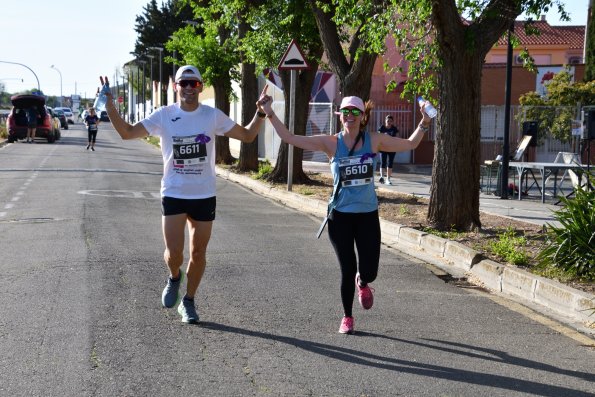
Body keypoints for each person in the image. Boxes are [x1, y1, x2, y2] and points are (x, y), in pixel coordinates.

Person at [103, 65, 268, 324]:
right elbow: (127, 133)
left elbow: (247, 136)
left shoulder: (211, 116)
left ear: (200, 87)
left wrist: (260, 112)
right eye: (184, 83)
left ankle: (189, 301)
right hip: (174, 192)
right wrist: (110, 106)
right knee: (174, 253)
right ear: (176, 86)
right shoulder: (164, 115)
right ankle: (174, 277)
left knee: (199, 252)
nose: (189, 88)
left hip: (204, 194)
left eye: (194, 83)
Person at [258, 91, 431, 334]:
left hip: (367, 214)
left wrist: (424, 122)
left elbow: (411, 144)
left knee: (369, 270)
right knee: (346, 267)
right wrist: (270, 113)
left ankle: (363, 281)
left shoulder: (375, 140)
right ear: (340, 117)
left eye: (354, 112)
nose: (349, 116)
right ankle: (347, 316)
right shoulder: (331, 142)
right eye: (345, 112)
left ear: (362, 117)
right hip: (339, 216)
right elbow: (289, 137)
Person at [377, 115, 399, 185]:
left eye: (390, 121)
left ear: (392, 122)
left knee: (390, 163)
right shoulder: (382, 128)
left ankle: (388, 179)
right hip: (383, 148)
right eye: (388, 121)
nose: (389, 122)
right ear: (385, 121)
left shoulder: (394, 129)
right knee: (383, 163)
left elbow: (397, 138)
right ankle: (381, 177)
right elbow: (378, 137)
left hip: (392, 148)